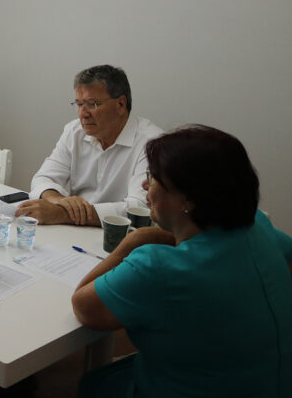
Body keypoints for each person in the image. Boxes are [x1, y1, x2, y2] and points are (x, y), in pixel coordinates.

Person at [71, 125, 292, 397]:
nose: (144, 185)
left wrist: (131, 242)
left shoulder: (157, 266)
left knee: (93, 384)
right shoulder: (258, 225)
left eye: (152, 177)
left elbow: (84, 307)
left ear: (188, 200)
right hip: (272, 382)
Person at [16, 65, 162, 226]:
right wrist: (58, 200)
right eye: (79, 104)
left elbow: (140, 208)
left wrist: (62, 214)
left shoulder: (152, 142)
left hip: (120, 237)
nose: (83, 114)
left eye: (92, 104)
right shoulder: (74, 131)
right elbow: (43, 178)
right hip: (74, 231)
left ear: (121, 104)